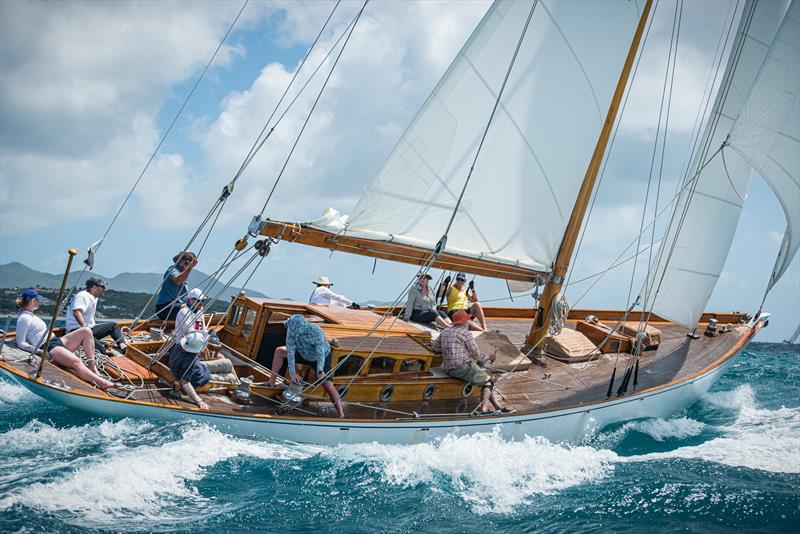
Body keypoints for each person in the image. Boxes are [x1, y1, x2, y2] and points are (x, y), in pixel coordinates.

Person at [14, 289, 116, 390]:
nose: (39, 302)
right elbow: (20, 343)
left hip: (56, 341)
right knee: (76, 361)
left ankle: (92, 366)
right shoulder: (24, 318)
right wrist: (41, 352)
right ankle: (102, 382)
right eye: (37, 300)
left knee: (86, 331)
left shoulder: (31, 315)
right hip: (48, 347)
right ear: (32, 301)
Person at [431, 310, 509, 415]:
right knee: (489, 382)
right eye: (468, 320)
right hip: (462, 367)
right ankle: (483, 409)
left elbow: (435, 347)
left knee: (486, 379)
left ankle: (497, 407)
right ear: (464, 321)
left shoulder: (445, 331)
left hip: (449, 369)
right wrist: (490, 358)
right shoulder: (466, 333)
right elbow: (475, 354)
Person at [267, 314, 345, 418]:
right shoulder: (291, 329)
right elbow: (290, 351)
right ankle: (271, 382)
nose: (294, 334)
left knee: (327, 383)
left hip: (319, 357)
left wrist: (320, 371)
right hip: (302, 352)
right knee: (279, 351)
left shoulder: (316, 331)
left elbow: (320, 354)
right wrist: (292, 372)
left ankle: (341, 414)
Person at [168, 330, 239, 411]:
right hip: (201, 378)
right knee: (232, 377)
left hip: (199, 367)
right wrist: (199, 401)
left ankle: (238, 385)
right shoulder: (189, 361)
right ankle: (239, 388)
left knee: (228, 362)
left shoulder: (180, 345)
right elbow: (185, 382)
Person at [65, 277, 127, 355]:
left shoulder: (93, 297)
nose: (104, 290)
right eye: (103, 287)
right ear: (94, 287)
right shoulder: (82, 296)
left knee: (113, 326)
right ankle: (103, 350)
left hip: (90, 329)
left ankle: (122, 345)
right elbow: (77, 312)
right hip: (75, 331)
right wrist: (85, 327)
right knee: (89, 335)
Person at [156, 251, 198, 321]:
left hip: (178, 307)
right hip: (165, 308)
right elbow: (177, 281)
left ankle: (198, 328)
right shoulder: (172, 269)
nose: (188, 261)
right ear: (179, 260)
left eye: (190, 260)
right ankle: (193, 329)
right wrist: (190, 267)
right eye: (185, 258)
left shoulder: (184, 276)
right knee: (188, 308)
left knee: (198, 308)